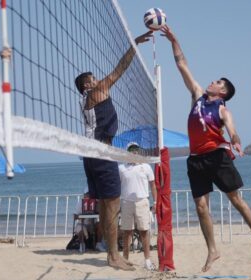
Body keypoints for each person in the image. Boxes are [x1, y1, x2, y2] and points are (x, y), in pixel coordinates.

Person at [160, 25, 251, 272]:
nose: (212, 81)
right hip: (196, 160)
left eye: (218, 81)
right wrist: (173, 40)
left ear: (223, 92)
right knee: (200, 206)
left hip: (217, 157)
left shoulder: (222, 110)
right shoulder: (197, 95)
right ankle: (213, 250)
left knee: (235, 199)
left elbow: (232, 129)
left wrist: (237, 140)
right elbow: (182, 64)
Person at [74, 31, 153, 271]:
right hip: (101, 153)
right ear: (88, 85)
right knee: (112, 204)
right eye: (94, 78)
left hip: (93, 154)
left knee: (108, 206)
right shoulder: (96, 93)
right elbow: (120, 69)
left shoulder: (89, 100)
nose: (99, 79)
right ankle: (112, 256)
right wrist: (134, 45)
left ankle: (112, 254)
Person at [118, 142, 157, 271]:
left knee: (144, 231)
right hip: (126, 202)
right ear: (127, 151)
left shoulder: (146, 166)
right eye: (131, 149)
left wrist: (155, 202)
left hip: (142, 201)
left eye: (136, 149)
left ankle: (147, 261)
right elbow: (117, 187)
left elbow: (153, 185)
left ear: (139, 151)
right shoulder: (121, 168)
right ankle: (126, 259)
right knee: (126, 232)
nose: (134, 151)